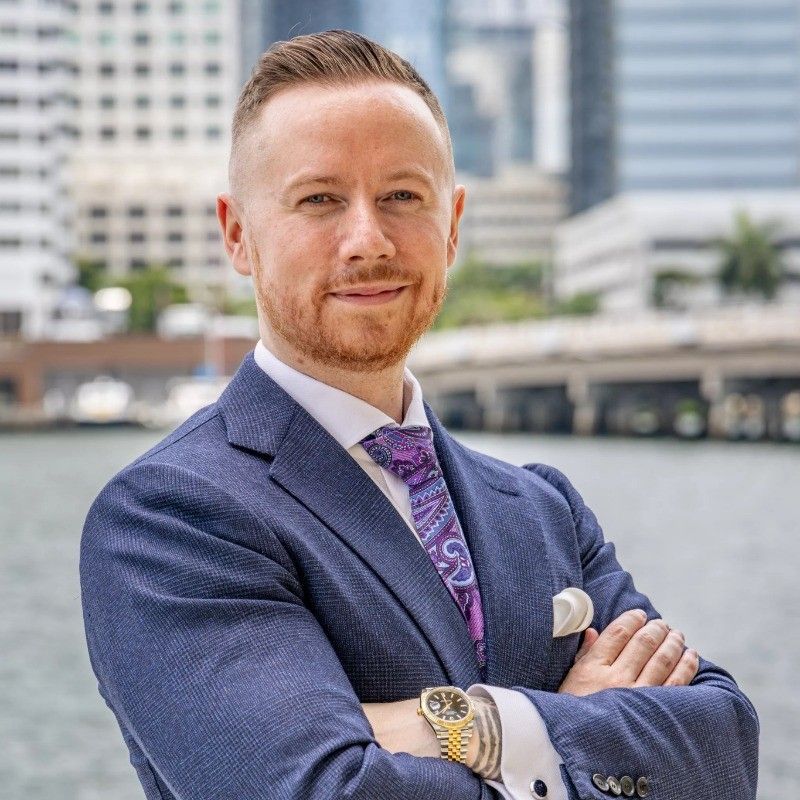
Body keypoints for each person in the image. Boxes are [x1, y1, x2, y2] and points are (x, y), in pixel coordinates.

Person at [79, 30, 759, 800]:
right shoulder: (172, 516)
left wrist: (484, 727)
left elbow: (723, 750)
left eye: (403, 196)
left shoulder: (542, 509)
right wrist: (574, 730)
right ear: (238, 233)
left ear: (454, 224)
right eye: (319, 200)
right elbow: (321, 791)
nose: (368, 240)